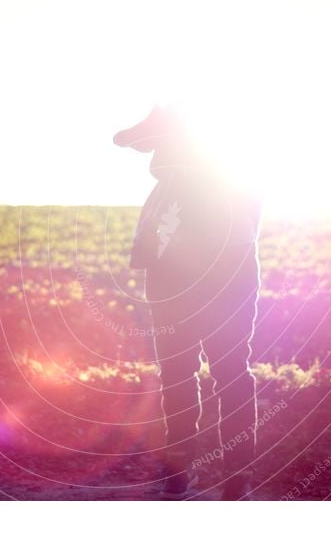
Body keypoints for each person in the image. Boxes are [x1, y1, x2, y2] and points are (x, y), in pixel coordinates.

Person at [113, 104, 263, 500]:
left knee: (217, 373)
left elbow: (241, 237)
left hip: (219, 283)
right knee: (190, 375)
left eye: (156, 142)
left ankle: (227, 477)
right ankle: (193, 474)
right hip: (195, 283)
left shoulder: (215, 179)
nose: (152, 156)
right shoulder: (179, 182)